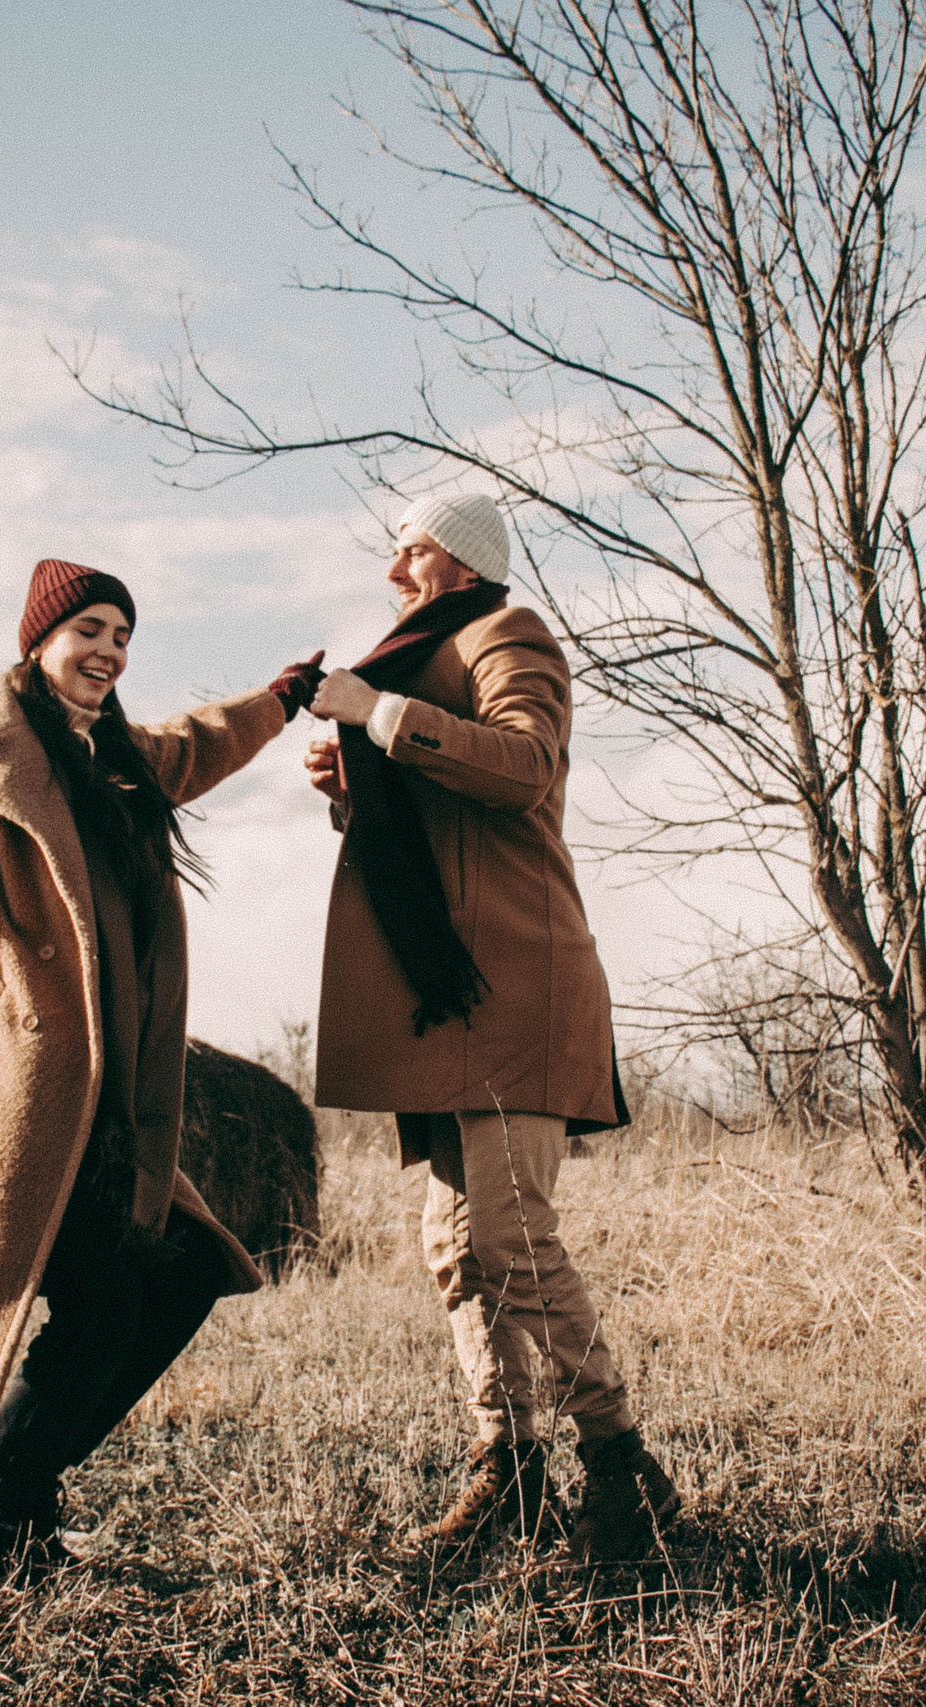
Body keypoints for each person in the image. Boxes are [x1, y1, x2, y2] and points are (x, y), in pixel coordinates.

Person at [0, 557, 324, 1583]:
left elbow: (202, 741)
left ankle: (12, 1509)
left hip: (113, 1100)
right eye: (88, 630)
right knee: (106, 1308)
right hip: (15, 1091)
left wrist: (280, 700)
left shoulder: (120, 762)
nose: (107, 651)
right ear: (39, 641)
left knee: (183, 1274)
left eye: (121, 636)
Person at [304, 492, 677, 1561]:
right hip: (451, 1000)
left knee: (510, 1238)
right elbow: (442, 819)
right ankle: (508, 1470)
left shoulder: (509, 634)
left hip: (517, 986)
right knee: (456, 1248)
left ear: (461, 559)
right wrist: (355, 785)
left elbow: (524, 767)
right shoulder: (424, 658)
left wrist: (380, 719)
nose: (393, 572)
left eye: (411, 550)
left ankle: (623, 1466)